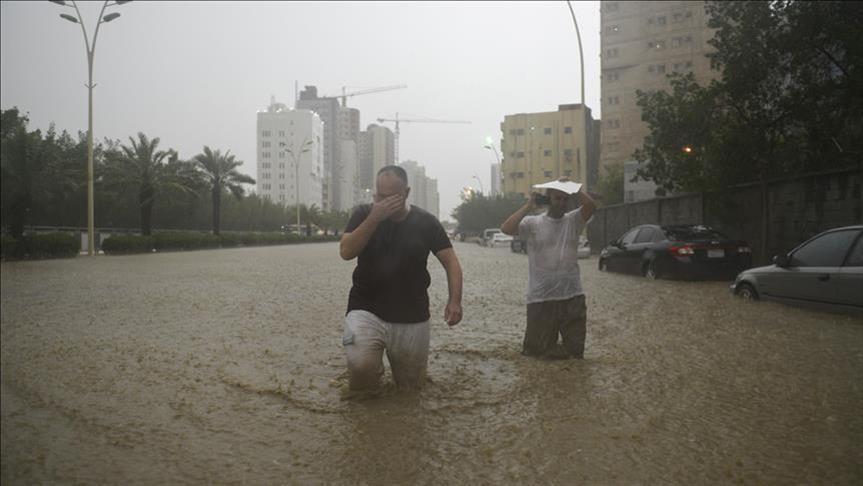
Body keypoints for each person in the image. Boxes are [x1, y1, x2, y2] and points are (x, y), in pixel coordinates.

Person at [339, 165, 463, 390]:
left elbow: (451, 262)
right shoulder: (363, 214)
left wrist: (455, 301)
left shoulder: (426, 222)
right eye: (379, 195)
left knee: (411, 390)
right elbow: (346, 251)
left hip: (412, 315)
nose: (383, 202)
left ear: (406, 193)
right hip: (365, 308)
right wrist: (373, 219)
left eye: (390, 197)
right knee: (360, 367)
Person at [500, 178, 596, 359]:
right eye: (557, 198)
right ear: (549, 199)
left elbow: (591, 205)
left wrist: (573, 188)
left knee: (575, 354)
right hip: (541, 298)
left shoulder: (573, 220)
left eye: (565, 199)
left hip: (572, 296)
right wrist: (528, 205)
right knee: (535, 354)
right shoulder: (532, 223)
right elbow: (506, 228)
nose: (561, 203)